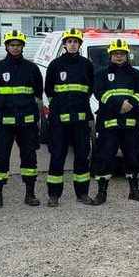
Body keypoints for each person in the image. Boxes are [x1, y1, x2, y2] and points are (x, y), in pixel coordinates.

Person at [0, 29, 44, 208]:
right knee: (0, 158)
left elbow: (39, 92)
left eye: (18, 45)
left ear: (23, 46)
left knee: (29, 158)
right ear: (7, 47)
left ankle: (30, 194)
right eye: (12, 45)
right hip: (3, 124)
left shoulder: (32, 69)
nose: (15, 48)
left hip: (27, 123)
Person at [91, 38, 139, 204]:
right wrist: (119, 104)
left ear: (127, 55)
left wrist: (131, 103)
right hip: (109, 124)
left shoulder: (136, 74)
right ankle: (102, 192)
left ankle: (134, 190)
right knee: (104, 157)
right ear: (110, 55)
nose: (118, 56)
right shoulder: (101, 74)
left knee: (134, 156)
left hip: (130, 124)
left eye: (121, 53)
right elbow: (99, 93)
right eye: (115, 53)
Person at [44, 27, 95, 205]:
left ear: (80, 44)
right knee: (57, 156)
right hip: (59, 121)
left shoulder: (87, 65)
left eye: (76, 42)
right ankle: (54, 195)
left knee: (82, 157)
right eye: (69, 42)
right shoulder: (55, 65)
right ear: (64, 44)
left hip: (80, 121)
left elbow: (90, 89)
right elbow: (49, 90)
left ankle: (82, 193)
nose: (72, 45)